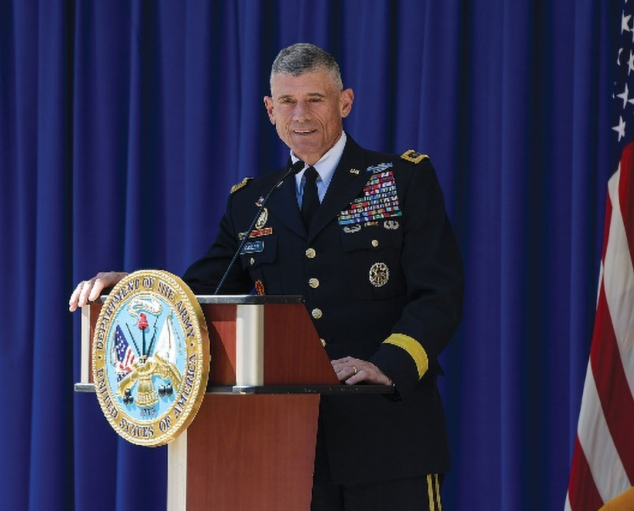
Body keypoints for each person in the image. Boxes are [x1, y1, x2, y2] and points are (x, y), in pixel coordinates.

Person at [70, 43, 463, 511]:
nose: (301, 115)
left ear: (345, 102)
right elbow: (202, 293)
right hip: (287, 445)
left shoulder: (399, 180)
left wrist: (389, 364)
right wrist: (135, 288)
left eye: (315, 99)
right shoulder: (252, 201)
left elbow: (439, 294)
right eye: (288, 102)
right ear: (269, 109)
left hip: (388, 436)